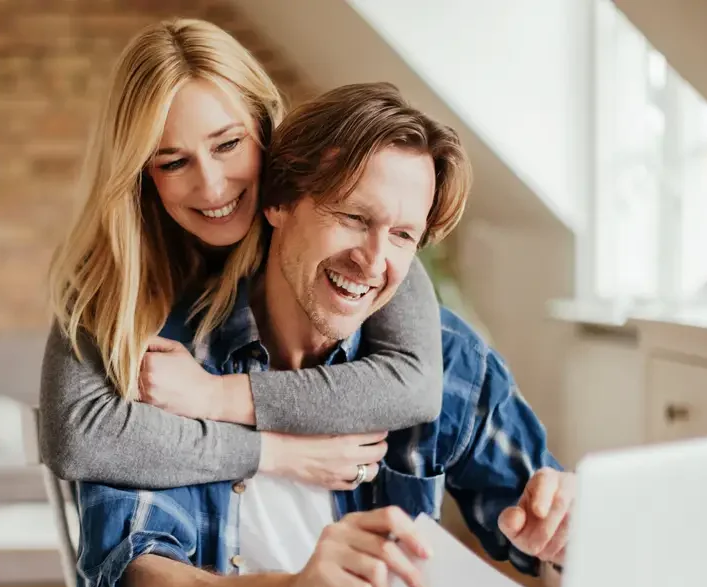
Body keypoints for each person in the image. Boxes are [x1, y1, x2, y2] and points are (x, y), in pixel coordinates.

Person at [76, 82, 571, 587]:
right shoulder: (168, 364)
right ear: (279, 203)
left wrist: (562, 543)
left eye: (403, 235)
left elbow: (546, 549)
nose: (374, 261)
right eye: (354, 218)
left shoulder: (448, 359)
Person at [40, 18, 449, 492]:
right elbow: (79, 435)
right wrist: (275, 452)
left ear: (263, 126)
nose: (212, 186)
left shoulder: (334, 224)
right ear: (141, 174)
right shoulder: (111, 270)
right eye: (173, 162)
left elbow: (413, 386)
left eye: (228, 144)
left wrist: (215, 397)